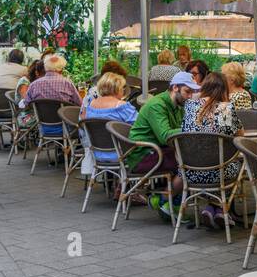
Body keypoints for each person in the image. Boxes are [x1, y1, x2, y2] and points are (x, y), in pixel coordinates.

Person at [179, 71, 243, 228]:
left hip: (190, 172)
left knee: (218, 161)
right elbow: (239, 136)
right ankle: (221, 208)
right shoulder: (224, 109)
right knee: (234, 164)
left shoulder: (189, 106)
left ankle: (211, 209)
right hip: (218, 171)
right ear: (224, 89)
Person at [129, 71, 198, 211]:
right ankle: (165, 202)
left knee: (195, 160)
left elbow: (180, 130)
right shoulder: (157, 105)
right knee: (191, 164)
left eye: (192, 92)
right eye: (187, 91)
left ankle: (168, 203)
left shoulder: (178, 105)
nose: (190, 96)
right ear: (175, 88)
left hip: (158, 151)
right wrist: (193, 129)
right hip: (142, 155)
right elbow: (165, 136)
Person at [80, 71, 138, 178]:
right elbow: (139, 126)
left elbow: (82, 124)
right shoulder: (122, 106)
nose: (123, 90)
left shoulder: (91, 105)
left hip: (97, 154)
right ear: (117, 88)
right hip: (122, 154)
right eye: (122, 87)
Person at [22, 53, 80, 138]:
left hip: (43, 127)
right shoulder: (67, 83)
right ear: (61, 69)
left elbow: (26, 104)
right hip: (67, 128)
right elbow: (80, 105)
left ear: (46, 68)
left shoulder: (34, 84)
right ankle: (70, 149)